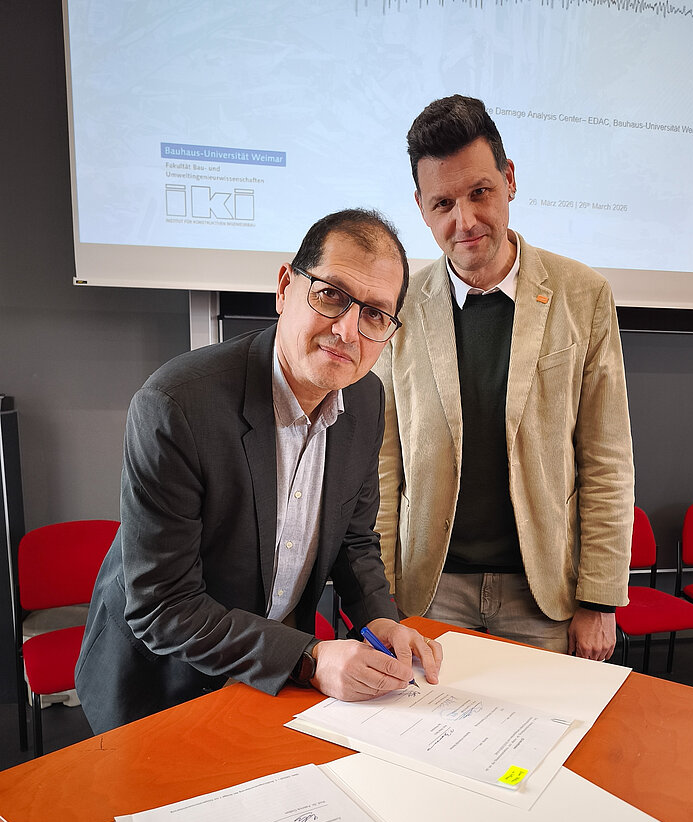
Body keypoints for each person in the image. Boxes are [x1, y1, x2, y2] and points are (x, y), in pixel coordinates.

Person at [76, 208, 441, 738]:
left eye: (375, 314)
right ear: (285, 287)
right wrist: (311, 658)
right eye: (331, 295)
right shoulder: (176, 405)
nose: (347, 331)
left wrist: (379, 619)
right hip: (161, 684)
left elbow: (355, 542)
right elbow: (163, 606)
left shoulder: (365, 400)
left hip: (271, 678)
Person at [374, 96, 634, 660]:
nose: (464, 221)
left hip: (542, 596)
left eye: (479, 192)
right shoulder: (399, 304)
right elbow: (384, 461)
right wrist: (380, 594)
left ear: (509, 179)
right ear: (421, 208)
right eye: (443, 203)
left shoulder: (583, 295)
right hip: (431, 590)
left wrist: (599, 600)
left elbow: (606, 459)